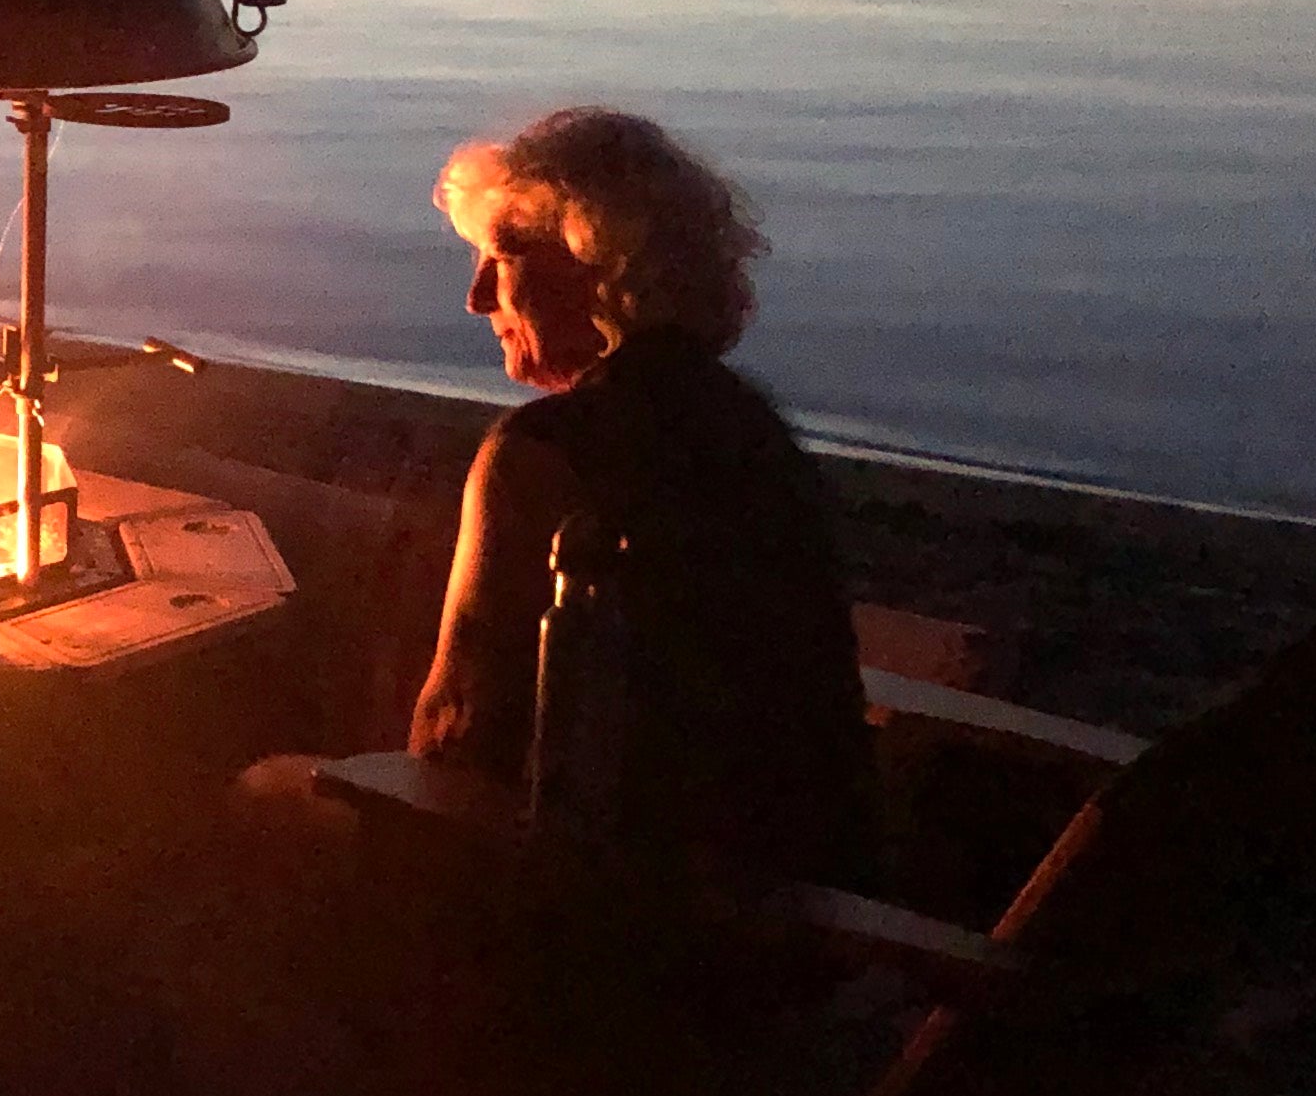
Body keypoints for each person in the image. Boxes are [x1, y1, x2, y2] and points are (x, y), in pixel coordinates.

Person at [249, 108, 875, 927]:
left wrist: (377, 797)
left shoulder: (543, 452)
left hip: (607, 918)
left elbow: (452, 733)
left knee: (263, 793)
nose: (477, 300)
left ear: (596, 267)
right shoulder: (752, 428)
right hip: (788, 906)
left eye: (502, 260)